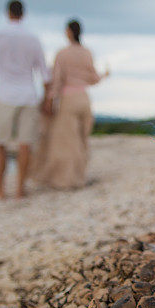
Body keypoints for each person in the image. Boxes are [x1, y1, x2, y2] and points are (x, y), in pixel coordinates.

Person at [0, 0, 50, 199]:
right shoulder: (33, 38)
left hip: (5, 94)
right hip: (28, 94)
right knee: (25, 144)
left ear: (8, 13)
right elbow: (44, 73)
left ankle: (0, 189)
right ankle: (21, 188)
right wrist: (47, 100)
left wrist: (3, 70)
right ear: (23, 14)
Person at [33, 19, 109, 189]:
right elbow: (94, 78)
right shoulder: (87, 53)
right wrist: (105, 75)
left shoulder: (63, 54)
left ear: (68, 32)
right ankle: (79, 176)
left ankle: (67, 180)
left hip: (69, 100)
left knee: (67, 142)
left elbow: (57, 80)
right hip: (84, 98)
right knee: (82, 140)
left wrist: (49, 99)